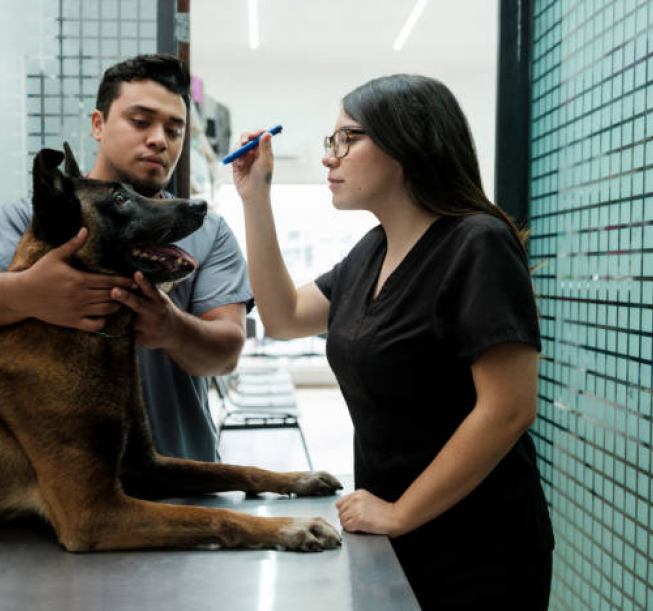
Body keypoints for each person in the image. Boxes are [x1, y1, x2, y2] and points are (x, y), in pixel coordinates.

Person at [232, 74, 554, 609]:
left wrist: (402, 511)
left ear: (409, 142)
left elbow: (508, 409)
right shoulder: (371, 253)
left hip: (477, 543)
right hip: (390, 535)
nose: (330, 158)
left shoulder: (478, 244)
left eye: (347, 139)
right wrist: (255, 199)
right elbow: (284, 316)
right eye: (330, 142)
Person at [0, 54, 252, 463]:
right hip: (55, 480)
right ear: (98, 125)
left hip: (179, 478)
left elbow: (226, 353)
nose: (159, 140)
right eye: (141, 122)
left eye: (175, 130)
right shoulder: (32, 221)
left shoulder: (207, 234)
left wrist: (173, 328)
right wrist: (27, 292)